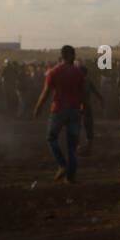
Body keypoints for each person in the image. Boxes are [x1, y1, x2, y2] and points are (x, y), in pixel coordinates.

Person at [33, 45, 85, 183]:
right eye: (73, 54)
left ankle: (62, 165)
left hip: (59, 110)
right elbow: (82, 92)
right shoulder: (78, 72)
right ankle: (70, 177)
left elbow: (46, 92)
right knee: (72, 146)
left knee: (51, 137)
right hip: (74, 110)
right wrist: (83, 107)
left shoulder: (54, 72)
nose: (74, 57)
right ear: (69, 55)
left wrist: (38, 107)